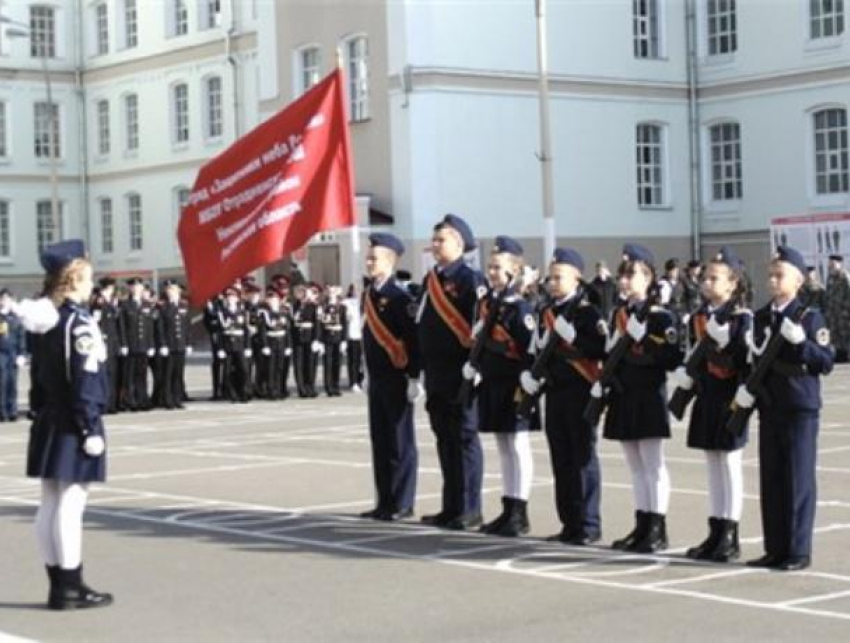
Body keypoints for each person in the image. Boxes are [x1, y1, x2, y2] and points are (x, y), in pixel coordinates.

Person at [22, 239, 113, 609]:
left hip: (50, 416)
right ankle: (70, 585)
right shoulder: (79, 323)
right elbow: (85, 379)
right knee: (70, 505)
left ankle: (58, 583)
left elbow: (40, 375)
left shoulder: (49, 319)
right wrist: (90, 428)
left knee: (50, 502)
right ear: (74, 279)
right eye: (88, 278)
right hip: (75, 420)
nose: (92, 285)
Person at [738, 246, 833, 571]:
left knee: (798, 478)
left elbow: (825, 360)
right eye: (771, 275)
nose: (773, 281)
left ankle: (798, 549)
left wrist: (801, 344)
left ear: (799, 280)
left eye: (780, 275)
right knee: (772, 478)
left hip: (799, 406)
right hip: (770, 404)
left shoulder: (809, 317)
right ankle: (775, 547)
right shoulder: (762, 316)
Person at [594, 244, 683, 553]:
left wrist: (644, 336)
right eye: (622, 275)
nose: (624, 280)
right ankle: (642, 523)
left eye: (632, 274)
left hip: (648, 395)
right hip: (623, 394)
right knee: (634, 465)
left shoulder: (660, 317)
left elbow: (672, 357)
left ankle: (657, 527)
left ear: (649, 278)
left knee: (653, 464)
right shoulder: (619, 314)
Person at [670, 247, 751, 562]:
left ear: (732, 284)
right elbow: (697, 359)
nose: (706, 283)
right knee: (713, 466)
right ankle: (715, 530)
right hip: (707, 396)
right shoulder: (700, 318)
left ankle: (730, 535)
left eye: (715, 278)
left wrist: (727, 342)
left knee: (729, 466)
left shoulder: (741, 318)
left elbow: (746, 362)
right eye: (705, 277)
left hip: (730, 398)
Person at [523, 248, 605, 545]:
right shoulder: (547, 312)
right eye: (551, 277)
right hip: (555, 391)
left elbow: (599, 348)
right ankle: (569, 521)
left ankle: (588, 523)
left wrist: (574, 337)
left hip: (580, 391)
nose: (553, 283)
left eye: (559, 277)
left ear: (577, 278)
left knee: (582, 456)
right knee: (561, 458)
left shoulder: (587, 313)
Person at [418, 214, 486, 530]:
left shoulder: (470, 281)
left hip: (461, 373)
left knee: (464, 439)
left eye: (441, 240)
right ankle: (451, 506)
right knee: (444, 440)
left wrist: (477, 366)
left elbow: (481, 327)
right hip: (436, 373)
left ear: (459, 243)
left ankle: (470, 508)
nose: (434, 245)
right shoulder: (430, 280)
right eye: (434, 240)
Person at [466, 236, 537, 537]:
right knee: (503, 447)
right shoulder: (487, 305)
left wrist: (527, 375)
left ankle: (519, 511)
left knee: (518, 446)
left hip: (514, 384)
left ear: (514, 271)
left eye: (498, 268)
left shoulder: (521, 309)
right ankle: (507, 507)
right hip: (494, 382)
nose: (492, 272)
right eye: (490, 267)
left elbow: (528, 349)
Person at [360, 233, 422, 521]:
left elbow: (411, 339)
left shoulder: (399, 297)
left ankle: (403, 502)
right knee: (381, 440)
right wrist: (365, 373)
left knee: (400, 442)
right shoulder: (369, 294)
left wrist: (413, 377)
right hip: (378, 378)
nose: (369, 262)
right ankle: (384, 500)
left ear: (389, 261)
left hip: (397, 378)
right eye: (368, 257)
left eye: (374, 258)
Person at [118, 277, 154, 411]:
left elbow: (149, 326)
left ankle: (142, 400)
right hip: (131, 344)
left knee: (142, 374)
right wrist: (124, 344)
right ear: (130, 289)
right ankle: (130, 401)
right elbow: (122, 326)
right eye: (134, 287)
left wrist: (150, 344)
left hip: (143, 344)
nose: (137, 289)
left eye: (139, 287)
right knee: (130, 376)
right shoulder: (125, 305)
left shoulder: (146, 305)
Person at [156, 280, 192, 409]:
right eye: (169, 290)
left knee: (178, 374)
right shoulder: (164, 307)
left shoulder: (184, 306)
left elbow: (187, 326)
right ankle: (168, 400)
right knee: (168, 374)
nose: (171, 292)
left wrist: (188, 343)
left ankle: (177, 399)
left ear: (179, 291)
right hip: (169, 345)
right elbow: (160, 327)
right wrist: (163, 344)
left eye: (174, 289)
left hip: (180, 345)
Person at [90, 278, 122, 414]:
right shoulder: (99, 302)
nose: (113, 290)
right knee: (104, 374)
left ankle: (112, 403)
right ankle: (104, 403)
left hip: (112, 342)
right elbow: (96, 321)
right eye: (111, 288)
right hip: (104, 342)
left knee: (113, 373)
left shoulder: (110, 303)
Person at [256, 287, 293, 399]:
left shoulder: (284, 313)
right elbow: (262, 331)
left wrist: (288, 345)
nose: (273, 301)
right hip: (271, 342)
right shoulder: (265, 314)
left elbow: (287, 331)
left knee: (280, 367)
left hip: (281, 342)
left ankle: (279, 389)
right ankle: (271, 390)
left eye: (276, 299)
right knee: (271, 368)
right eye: (271, 299)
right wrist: (265, 345)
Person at [218, 286, 250, 403]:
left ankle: (243, 392)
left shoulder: (242, 312)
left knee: (243, 370)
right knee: (227, 372)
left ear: (237, 298)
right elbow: (220, 331)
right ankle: (232, 394)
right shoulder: (222, 313)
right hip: (227, 345)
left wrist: (247, 346)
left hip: (240, 344)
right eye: (229, 297)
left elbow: (246, 330)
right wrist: (220, 348)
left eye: (233, 297)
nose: (231, 299)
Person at [0, 289, 26, 422]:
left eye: (7, 299)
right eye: (3, 299)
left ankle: (12, 410)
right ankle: (2, 411)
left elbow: (21, 337)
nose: (5, 302)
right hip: (1, 353)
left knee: (12, 383)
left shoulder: (14, 318)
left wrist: (21, 353)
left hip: (13, 353)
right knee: (2, 383)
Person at [292, 284, 321, 398]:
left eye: (303, 292)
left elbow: (317, 324)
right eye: (299, 293)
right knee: (299, 364)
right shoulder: (294, 306)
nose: (301, 295)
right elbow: (292, 323)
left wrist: (316, 339)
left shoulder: (313, 306)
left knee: (310, 363)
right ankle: (301, 388)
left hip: (309, 336)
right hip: (298, 337)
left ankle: (310, 386)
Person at [320, 286, 347, 397]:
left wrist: (344, 340)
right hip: (327, 337)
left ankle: (336, 386)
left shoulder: (342, 307)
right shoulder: (323, 307)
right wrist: (320, 340)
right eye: (330, 292)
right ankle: (328, 387)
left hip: (338, 337)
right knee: (328, 363)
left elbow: (345, 324)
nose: (332, 294)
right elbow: (320, 325)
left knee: (337, 363)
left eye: (334, 292)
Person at [825, 254, 850, 363]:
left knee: (845, 334)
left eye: (833, 264)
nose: (830, 266)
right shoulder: (830, 278)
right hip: (833, 313)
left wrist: (845, 310)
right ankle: (840, 355)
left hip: (843, 313)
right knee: (835, 335)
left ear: (840, 264)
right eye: (830, 264)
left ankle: (846, 355)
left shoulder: (845, 277)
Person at [342, 284, 364, 391]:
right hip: (352, 335)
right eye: (355, 290)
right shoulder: (346, 303)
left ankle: (361, 380)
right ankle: (353, 381)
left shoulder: (364, 302)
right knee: (353, 360)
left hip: (363, 335)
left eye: (359, 290)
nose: (357, 292)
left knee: (362, 361)